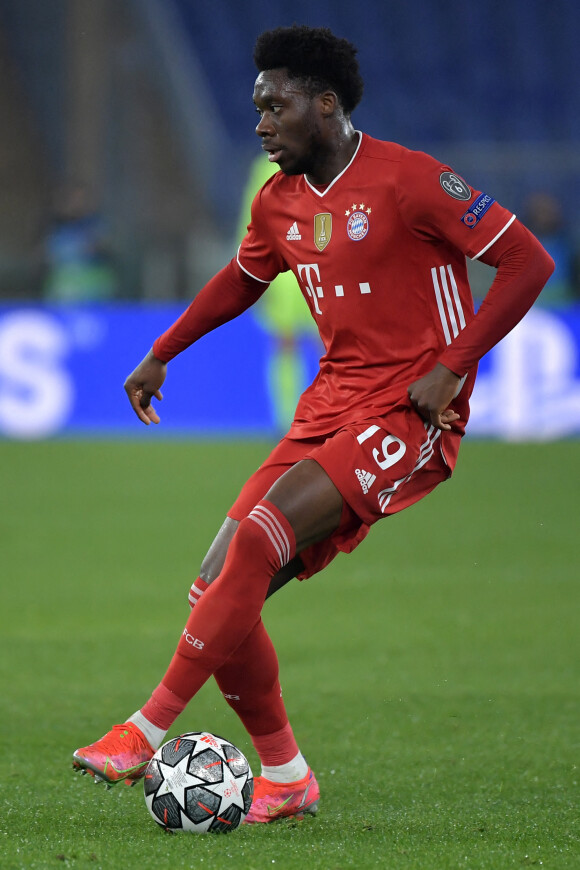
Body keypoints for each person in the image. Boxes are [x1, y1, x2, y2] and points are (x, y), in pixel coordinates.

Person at [72, 25, 554, 823]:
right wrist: (163, 352)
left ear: (324, 105)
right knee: (213, 588)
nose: (260, 123)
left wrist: (452, 365)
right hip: (330, 404)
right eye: (257, 108)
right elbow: (241, 279)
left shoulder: (411, 180)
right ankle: (287, 776)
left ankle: (145, 730)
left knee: (258, 539)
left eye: (275, 106)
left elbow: (526, 260)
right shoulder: (279, 202)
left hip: (410, 409)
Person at [239, 153, 320, 431]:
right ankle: (291, 419)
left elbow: (250, 221)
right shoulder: (270, 166)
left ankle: (293, 420)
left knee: (310, 344)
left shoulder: (271, 165)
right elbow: (253, 220)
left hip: (301, 268)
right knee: (310, 344)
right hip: (299, 269)